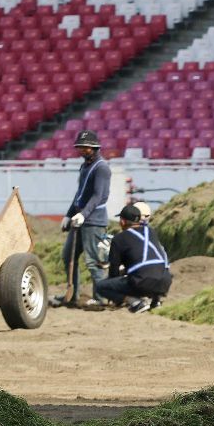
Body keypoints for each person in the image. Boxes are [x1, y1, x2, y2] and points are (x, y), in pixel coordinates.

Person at [51, 130, 111, 308]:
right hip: (79, 219)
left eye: (86, 148)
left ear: (94, 147)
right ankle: (72, 295)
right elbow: (80, 194)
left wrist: (83, 215)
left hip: (94, 221)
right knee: (68, 255)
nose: (82, 151)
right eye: (80, 148)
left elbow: (97, 196)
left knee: (94, 261)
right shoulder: (85, 166)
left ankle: (100, 299)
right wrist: (69, 214)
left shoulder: (102, 168)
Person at [96, 203, 173, 313]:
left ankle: (135, 302)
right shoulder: (151, 232)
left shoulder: (119, 239)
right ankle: (155, 301)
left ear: (122, 221)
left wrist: (117, 296)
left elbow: (114, 271)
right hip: (165, 281)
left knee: (101, 286)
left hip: (142, 282)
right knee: (149, 271)